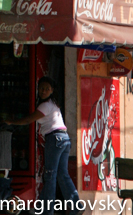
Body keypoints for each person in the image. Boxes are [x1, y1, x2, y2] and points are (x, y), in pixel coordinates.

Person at [5, 76, 79, 212]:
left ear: (51, 91)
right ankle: (77, 206)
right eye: (42, 88)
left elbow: (28, 120)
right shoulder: (53, 103)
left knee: (50, 175)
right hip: (64, 139)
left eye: (47, 89)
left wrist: (11, 122)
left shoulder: (44, 105)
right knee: (62, 174)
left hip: (54, 139)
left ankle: (47, 211)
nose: (43, 91)